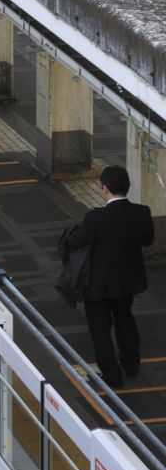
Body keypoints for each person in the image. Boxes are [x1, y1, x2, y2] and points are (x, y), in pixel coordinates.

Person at [67, 165, 155, 389]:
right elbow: (148, 240)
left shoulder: (95, 217)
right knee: (125, 318)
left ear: (104, 189)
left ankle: (112, 374)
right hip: (128, 282)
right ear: (127, 187)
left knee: (101, 329)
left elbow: (76, 242)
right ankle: (131, 363)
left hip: (98, 285)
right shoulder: (142, 212)